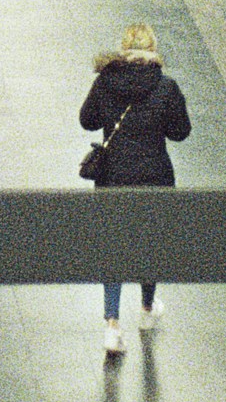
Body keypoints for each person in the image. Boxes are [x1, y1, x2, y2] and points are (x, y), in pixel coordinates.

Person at [81, 20, 193, 356]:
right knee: (150, 243)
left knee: (114, 247)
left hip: (113, 176)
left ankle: (112, 327)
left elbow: (86, 120)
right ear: (153, 50)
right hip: (155, 176)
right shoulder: (166, 87)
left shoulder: (105, 81)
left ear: (123, 49)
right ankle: (146, 310)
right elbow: (180, 132)